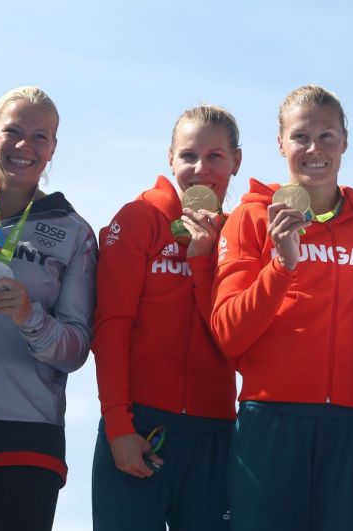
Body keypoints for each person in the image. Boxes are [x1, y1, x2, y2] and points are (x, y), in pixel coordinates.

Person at [212, 85, 353, 531]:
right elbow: (228, 332)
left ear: (345, 142)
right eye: (300, 138)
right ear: (280, 144)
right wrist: (281, 265)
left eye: (327, 136)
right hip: (271, 423)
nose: (314, 149)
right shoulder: (252, 218)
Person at [0, 87, 97, 531]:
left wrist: (31, 317)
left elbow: (75, 350)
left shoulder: (73, 232)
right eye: (12, 131)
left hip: (28, 431)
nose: (24, 147)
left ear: (53, 148)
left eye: (39, 137)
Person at [92, 104, 241, 530]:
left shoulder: (237, 232)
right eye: (188, 156)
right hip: (139, 425)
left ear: (236, 161)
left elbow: (232, 336)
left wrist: (200, 261)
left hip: (214, 433)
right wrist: (120, 426)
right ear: (170, 159)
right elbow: (111, 329)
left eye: (215, 156)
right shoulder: (138, 220)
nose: (200, 169)